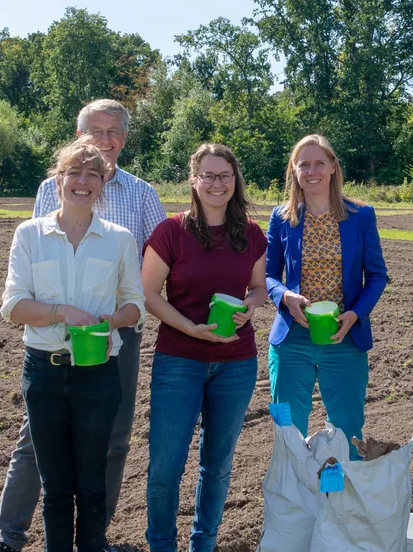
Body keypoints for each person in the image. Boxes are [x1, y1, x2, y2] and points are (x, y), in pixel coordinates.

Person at [0, 99, 167, 552]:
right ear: (78, 138)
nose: (105, 140)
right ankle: (9, 535)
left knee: (113, 437)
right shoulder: (53, 188)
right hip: (50, 347)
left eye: (114, 132)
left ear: (124, 139)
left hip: (114, 337)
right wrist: (62, 312)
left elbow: (163, 258)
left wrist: (121, 314)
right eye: (95, 131)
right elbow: (35, 260)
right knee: (36, 442)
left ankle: (95, 535)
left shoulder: (143, 194)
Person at [142, 143, 267, 552]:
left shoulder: (250, 233)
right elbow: (148, 293)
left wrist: (250, 305)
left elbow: (258, 287)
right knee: (165, 467)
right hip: (180, 359)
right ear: (194, 181)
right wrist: (191, 329)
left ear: (235, 181)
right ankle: (161, 544)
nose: (217, 183)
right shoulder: (171, 231)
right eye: (208, 176)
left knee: (216, 467)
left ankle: (204, 544)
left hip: (235, 362)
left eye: (224, 176)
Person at [265, 134, 388, 461]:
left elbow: (377, 275)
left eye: (319, 162)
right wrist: (285, 296)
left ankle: (340, 500)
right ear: (294, 170)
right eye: (303, 164)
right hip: (292, 341)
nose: (312, 170)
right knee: (287, 430)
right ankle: (296, 502)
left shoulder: (360, 215)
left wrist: (356, 314)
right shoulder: (281, 217)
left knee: (347, 431)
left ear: (333, 167)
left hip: (343, 338)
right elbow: (267, 275)